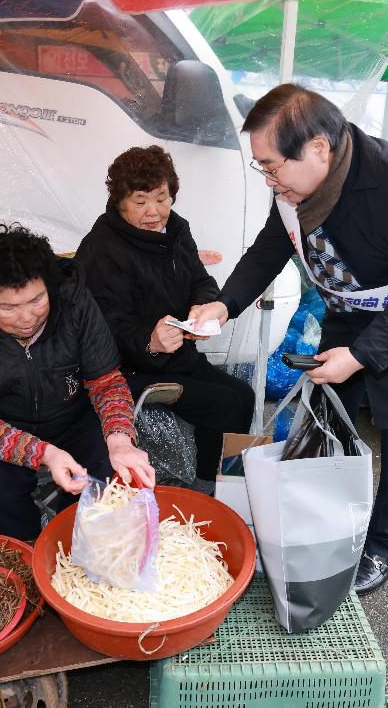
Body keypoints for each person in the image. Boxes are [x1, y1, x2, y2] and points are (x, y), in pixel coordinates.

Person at [190, 84, 388, 596]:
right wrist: (225, 305)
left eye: (272, 165)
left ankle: (384, 545)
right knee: (327, 412)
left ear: (319, 148)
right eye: (261, 166)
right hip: (351, 310)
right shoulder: (292, 188)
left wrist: (360, 356)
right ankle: (323, 523)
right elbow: (269, 248)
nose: (268, 178)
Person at [0, 223, 155, 541]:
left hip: (73, 417)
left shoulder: (75, 303)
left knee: (112, 472)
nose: (26, 317)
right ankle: (25, 549)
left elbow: (106, 382)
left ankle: (80, 543)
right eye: (8, 307)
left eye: (37, 300)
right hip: (3, 424)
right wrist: (44, 453)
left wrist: (120, 439)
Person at [77, 146, 255, 494]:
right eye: (140, 201)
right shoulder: (103, 249)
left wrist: (203, 307)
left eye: (161, 198)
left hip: (179, 356)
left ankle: (224, 487)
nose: (154, 211)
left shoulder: (175, 229)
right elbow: (105, 329)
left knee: (243, 395)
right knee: (225, 404)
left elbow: (201, 280)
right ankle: (208, 491)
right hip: (131, 370)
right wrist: (150, 342)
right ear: (120, 202)